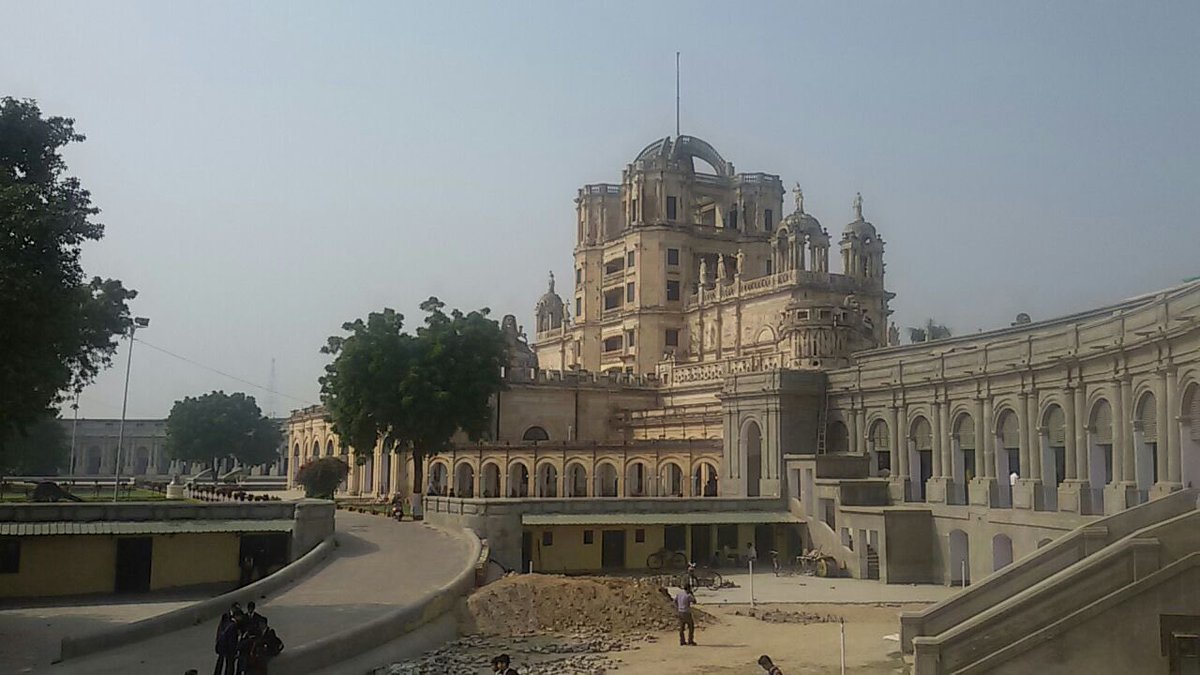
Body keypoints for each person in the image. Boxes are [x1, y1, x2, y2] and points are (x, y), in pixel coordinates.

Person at [213, 603, 242, 675]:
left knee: (224, 661)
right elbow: (231, 639)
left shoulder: (231, 622)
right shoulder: (228, 619)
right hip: (226, 645)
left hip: (223, 643)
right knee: (228, 662)